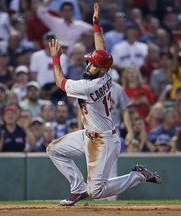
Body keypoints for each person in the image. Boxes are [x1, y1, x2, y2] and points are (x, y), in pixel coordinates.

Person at [46, 3, 162, 206]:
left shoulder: (88, 87)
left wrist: (56, 59)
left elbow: (60, 83)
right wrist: (96, 24)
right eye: (89, 62)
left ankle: (138, 176)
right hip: (89, 134)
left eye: (92, 64)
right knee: (54, 150)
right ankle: (77, 189)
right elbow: (102, 50)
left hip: (104, 141)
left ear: (100, 70)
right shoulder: (106, 72)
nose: (88, 65)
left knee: (97, 191)